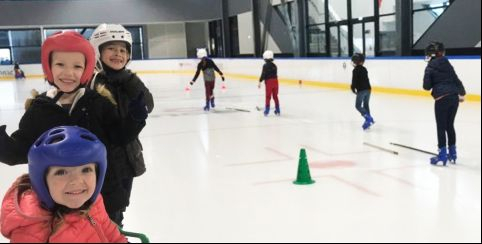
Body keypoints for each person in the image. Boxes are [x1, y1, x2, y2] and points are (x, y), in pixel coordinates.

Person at [0, 31, 147, 225]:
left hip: (104, 199)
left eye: (77, 66)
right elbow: (20, 151)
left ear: (86, 69)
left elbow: (119, 137)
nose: (69, 73)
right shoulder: (40, 108)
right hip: (57, 203)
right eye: (60, 64)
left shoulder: (97, 102)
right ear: (49, 67)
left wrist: (134, 117)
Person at [0, 126, 127, 243]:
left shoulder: (94, 202)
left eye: (86, 170)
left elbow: (111, 234)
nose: (76, 181)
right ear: (42, 180)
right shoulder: (30, 228)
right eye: (61, 172)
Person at [89, 23, 154, 226]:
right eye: (111, 48)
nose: (118, 54)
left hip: (127, 159)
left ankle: (117, 229)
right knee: (103, 211)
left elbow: (148, 104)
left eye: (123, 50)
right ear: (98, 51)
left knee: (119, 208)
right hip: (104, 161)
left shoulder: (129, 80)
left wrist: (130, 81)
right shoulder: (93, 82)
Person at [423, 41, 466, 166]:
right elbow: (456, 79)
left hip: (441, 99)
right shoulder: (447, 63)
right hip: (453, 98)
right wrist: (462, 93)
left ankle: (442, 154)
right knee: (450, 125)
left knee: (441, 127)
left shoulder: (430, 67)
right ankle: (452, 153)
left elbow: (426, 86)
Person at [350, 53, 374, 130]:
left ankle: (368, 118)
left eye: (354, 61)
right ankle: (369, 120)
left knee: (358, 106)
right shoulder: (364, 69)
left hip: (361, 90)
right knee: (366, 104)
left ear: (356, 61)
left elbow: (354, 81)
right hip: (368, 90)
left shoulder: (355, 70)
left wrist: (353, 88)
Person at [258, 50, 280, 116]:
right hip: (276, 82)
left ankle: (267, 110)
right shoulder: (275, 66)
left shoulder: (265, 66)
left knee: (268, 97)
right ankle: (278, 109)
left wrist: (260, 81)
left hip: (269, 82)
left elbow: (263, 74)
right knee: (275, 96)